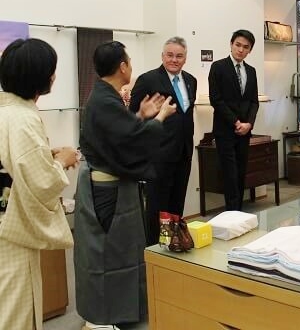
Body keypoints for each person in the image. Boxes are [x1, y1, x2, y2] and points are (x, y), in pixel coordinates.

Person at [75, 41, 176, 330]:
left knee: (123, 252)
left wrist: (139, 116)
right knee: (114, 254)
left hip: (111, 187)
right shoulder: (105, 100)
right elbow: (130, 142)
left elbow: (120, 135)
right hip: (110, 193)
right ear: (122, 66)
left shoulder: (104, 96)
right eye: (129, 60)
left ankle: (121, 311)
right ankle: (111, 316)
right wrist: (158, 119)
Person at [0, 38, 79, 330]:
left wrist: (46, 155)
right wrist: (61, 161)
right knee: (13, 312)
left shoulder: (5, 111)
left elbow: (12, 162)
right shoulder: (22, 118)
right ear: (40, 77)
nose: (54, 76)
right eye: (52, 70)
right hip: (9, 230)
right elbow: (41, 181)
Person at [129, 37, 197, 245]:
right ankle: (155, 248)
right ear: (162, 56)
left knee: (177, 203)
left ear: (185, 58)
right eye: (170, 55)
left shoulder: (191, 80)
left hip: (184, 151)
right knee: (158, 207)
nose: (174, 60)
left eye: (179, 56)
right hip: (158, 155)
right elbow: (134, 116)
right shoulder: (147, 80)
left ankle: (173, 243)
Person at [208, 29, 259, 211]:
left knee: (240, 172)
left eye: (245, 47)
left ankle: (239, 211)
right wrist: (236, 122)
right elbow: (216, 99)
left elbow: (254, 101)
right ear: (231, 44)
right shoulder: (218, 67)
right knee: (229, 173)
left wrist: (249, 124)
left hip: (245, 131)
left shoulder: (251, 71)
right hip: (225, 130)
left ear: (249, 50)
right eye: (238, 45)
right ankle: (232, 212)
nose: (240, 50)